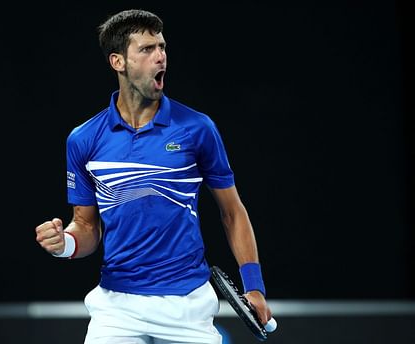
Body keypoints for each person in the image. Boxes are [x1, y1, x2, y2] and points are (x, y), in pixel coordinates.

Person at [35, 9, 272, 344]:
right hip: (117, 310)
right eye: (147, 49)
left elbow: (232, 212)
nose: (160, 57)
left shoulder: (197, 129)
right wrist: (65, 244)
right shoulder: (83, 139)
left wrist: (255, 286)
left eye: (162, 47)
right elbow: (86, 226)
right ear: (118, 62)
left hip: (187, 306)